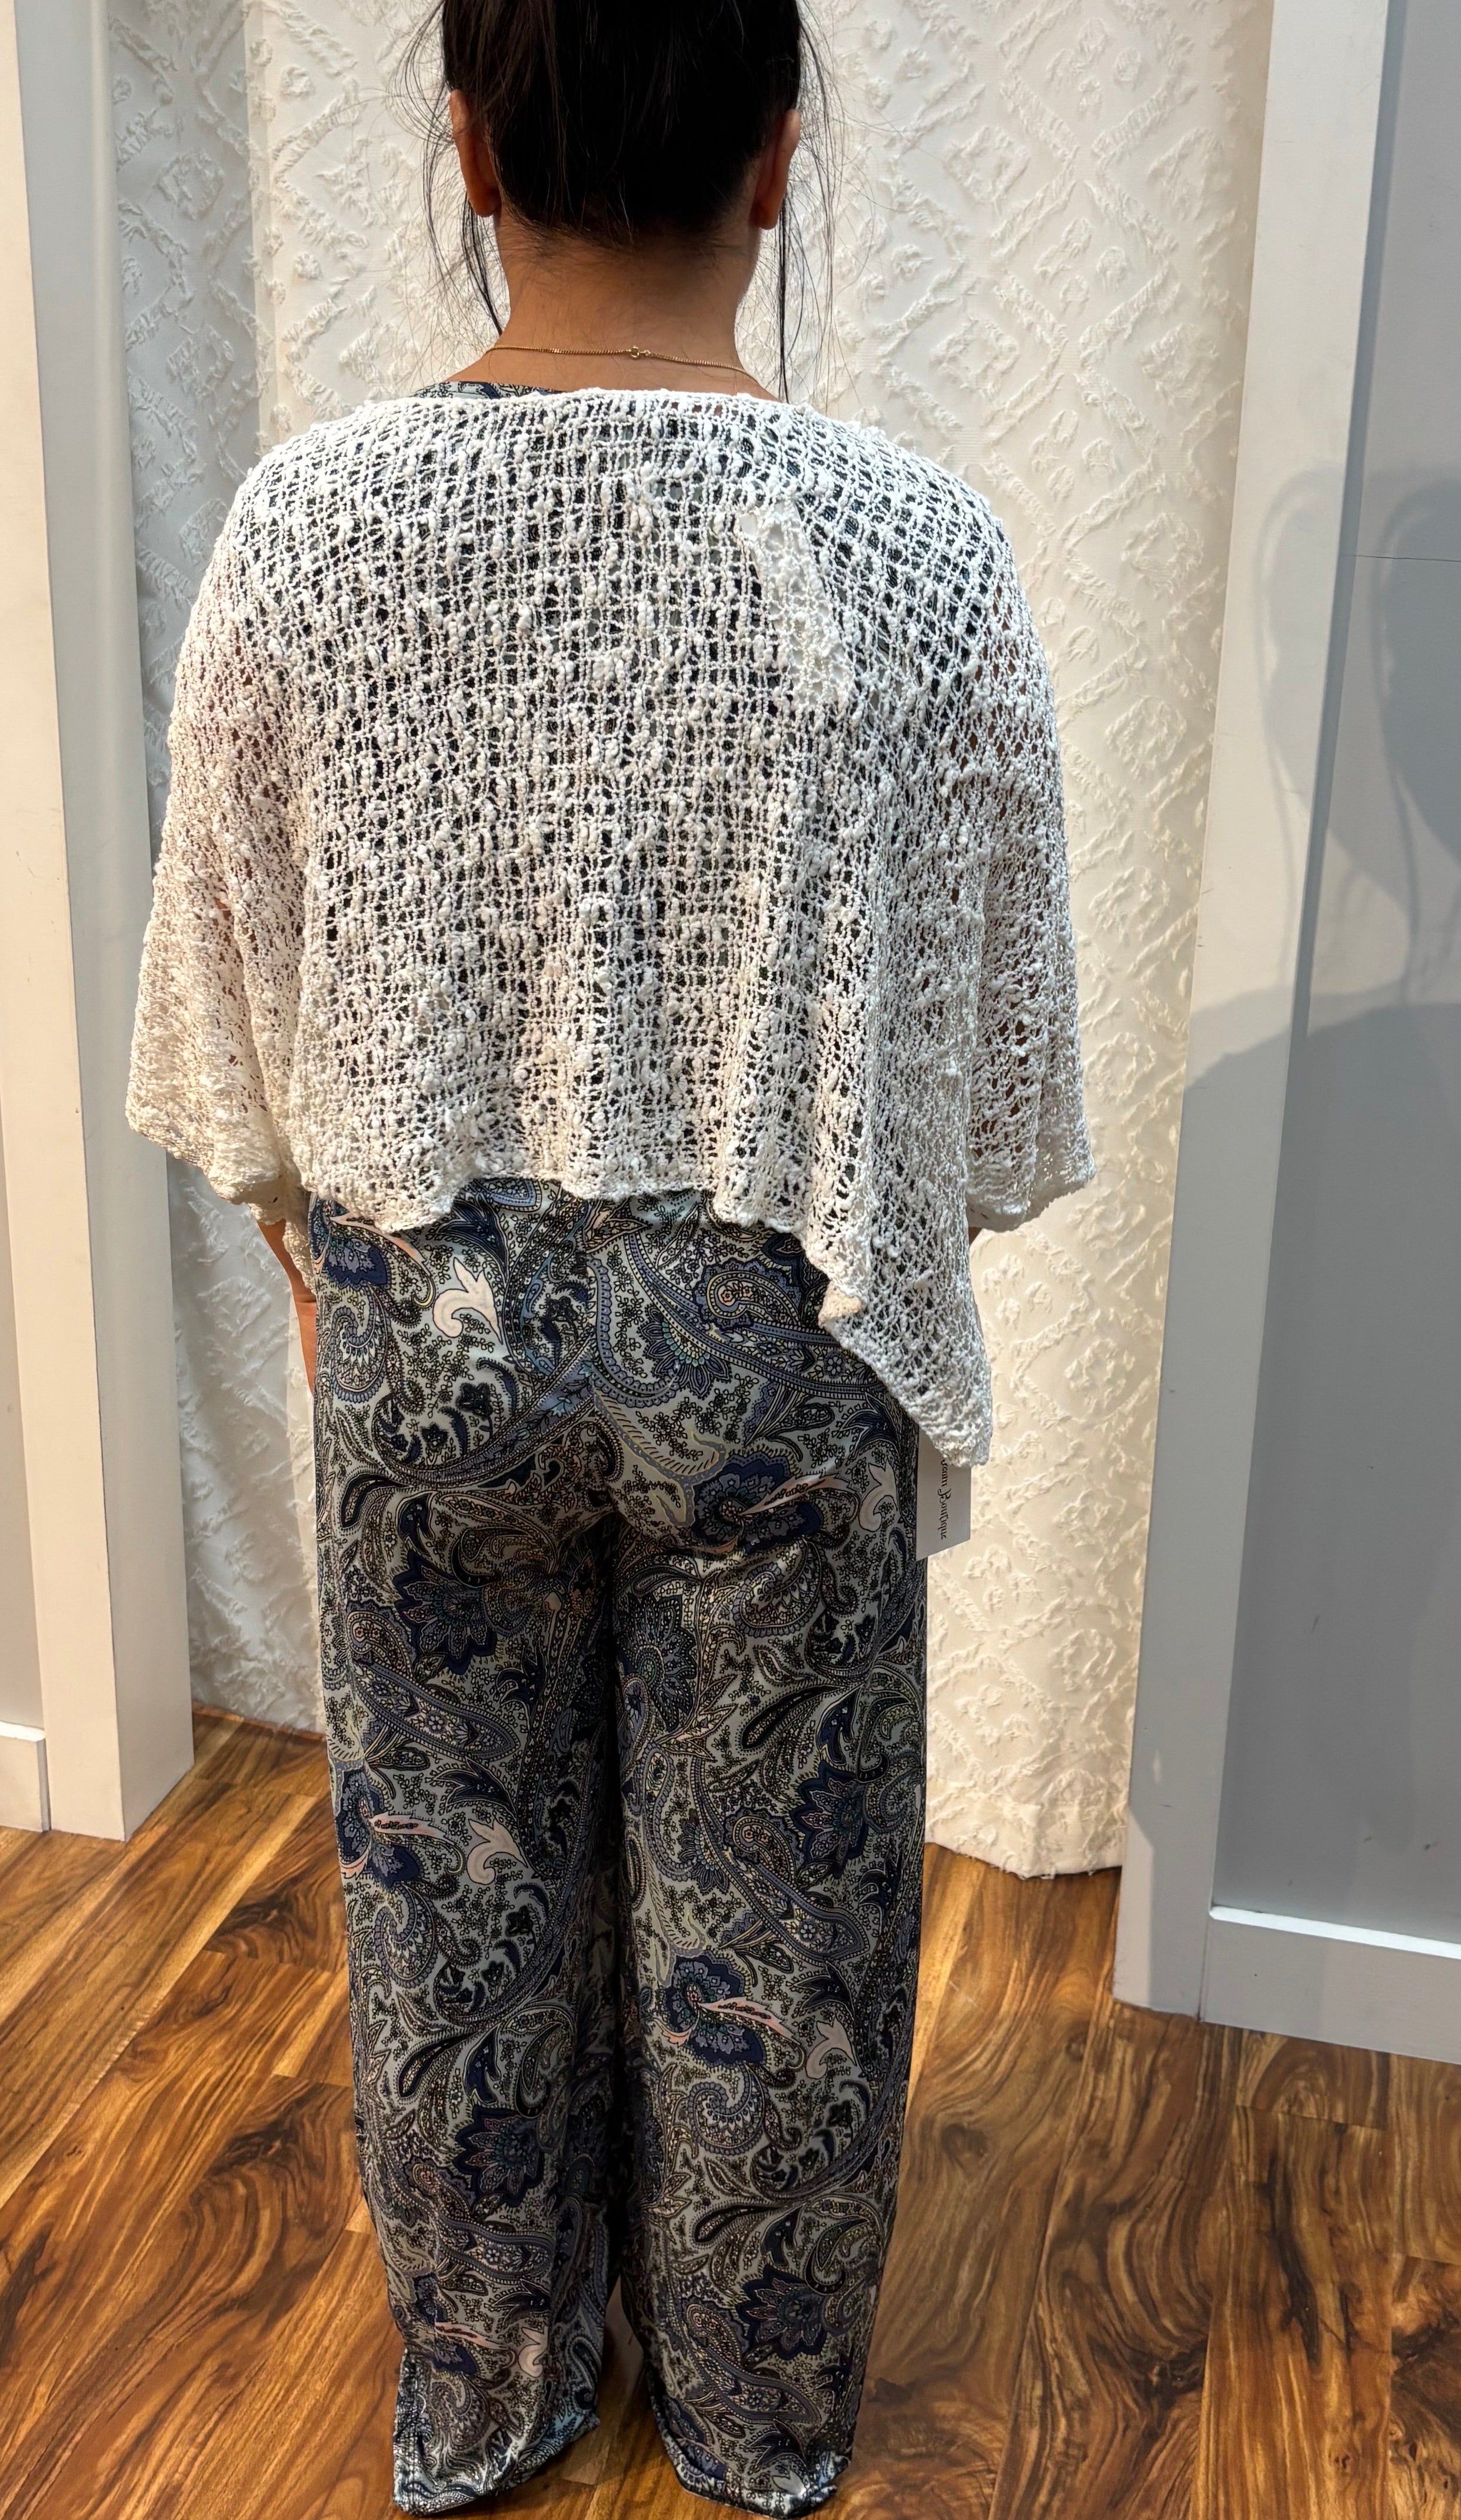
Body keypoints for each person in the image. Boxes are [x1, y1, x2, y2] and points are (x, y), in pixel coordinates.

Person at [125, 2, 1092, 2509]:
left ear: (464, 143)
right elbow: (988, 1053)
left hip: (422, 1328)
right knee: (779, 1905)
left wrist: (328, 1256)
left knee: (452, 1881)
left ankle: (486, 2386)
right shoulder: (921, 547)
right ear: (780, 155)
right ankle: (754, 2410)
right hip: (776, 1329)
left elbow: (231, 986)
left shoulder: (306, 528)